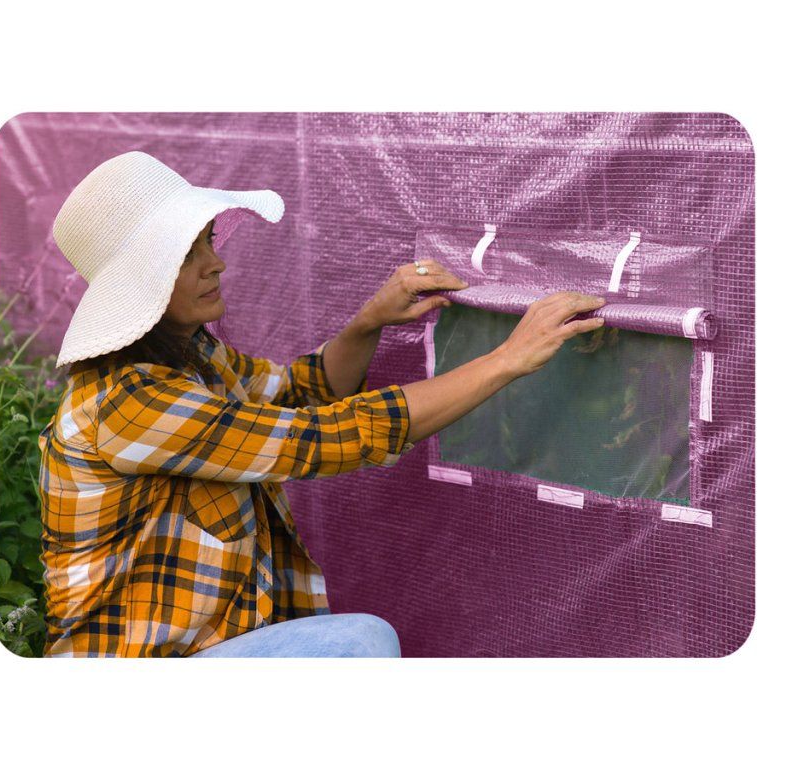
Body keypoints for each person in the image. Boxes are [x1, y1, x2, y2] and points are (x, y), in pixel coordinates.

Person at [38, 151, 605, 657]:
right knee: (356, 644)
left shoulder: (194, 359)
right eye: (188, 255)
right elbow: (317, 438)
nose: (216, 263)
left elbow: (299, 392)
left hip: (206, 647)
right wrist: (508, 358)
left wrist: (369, 320)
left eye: (209, 241)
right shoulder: (128, 403)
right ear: (142, 284)